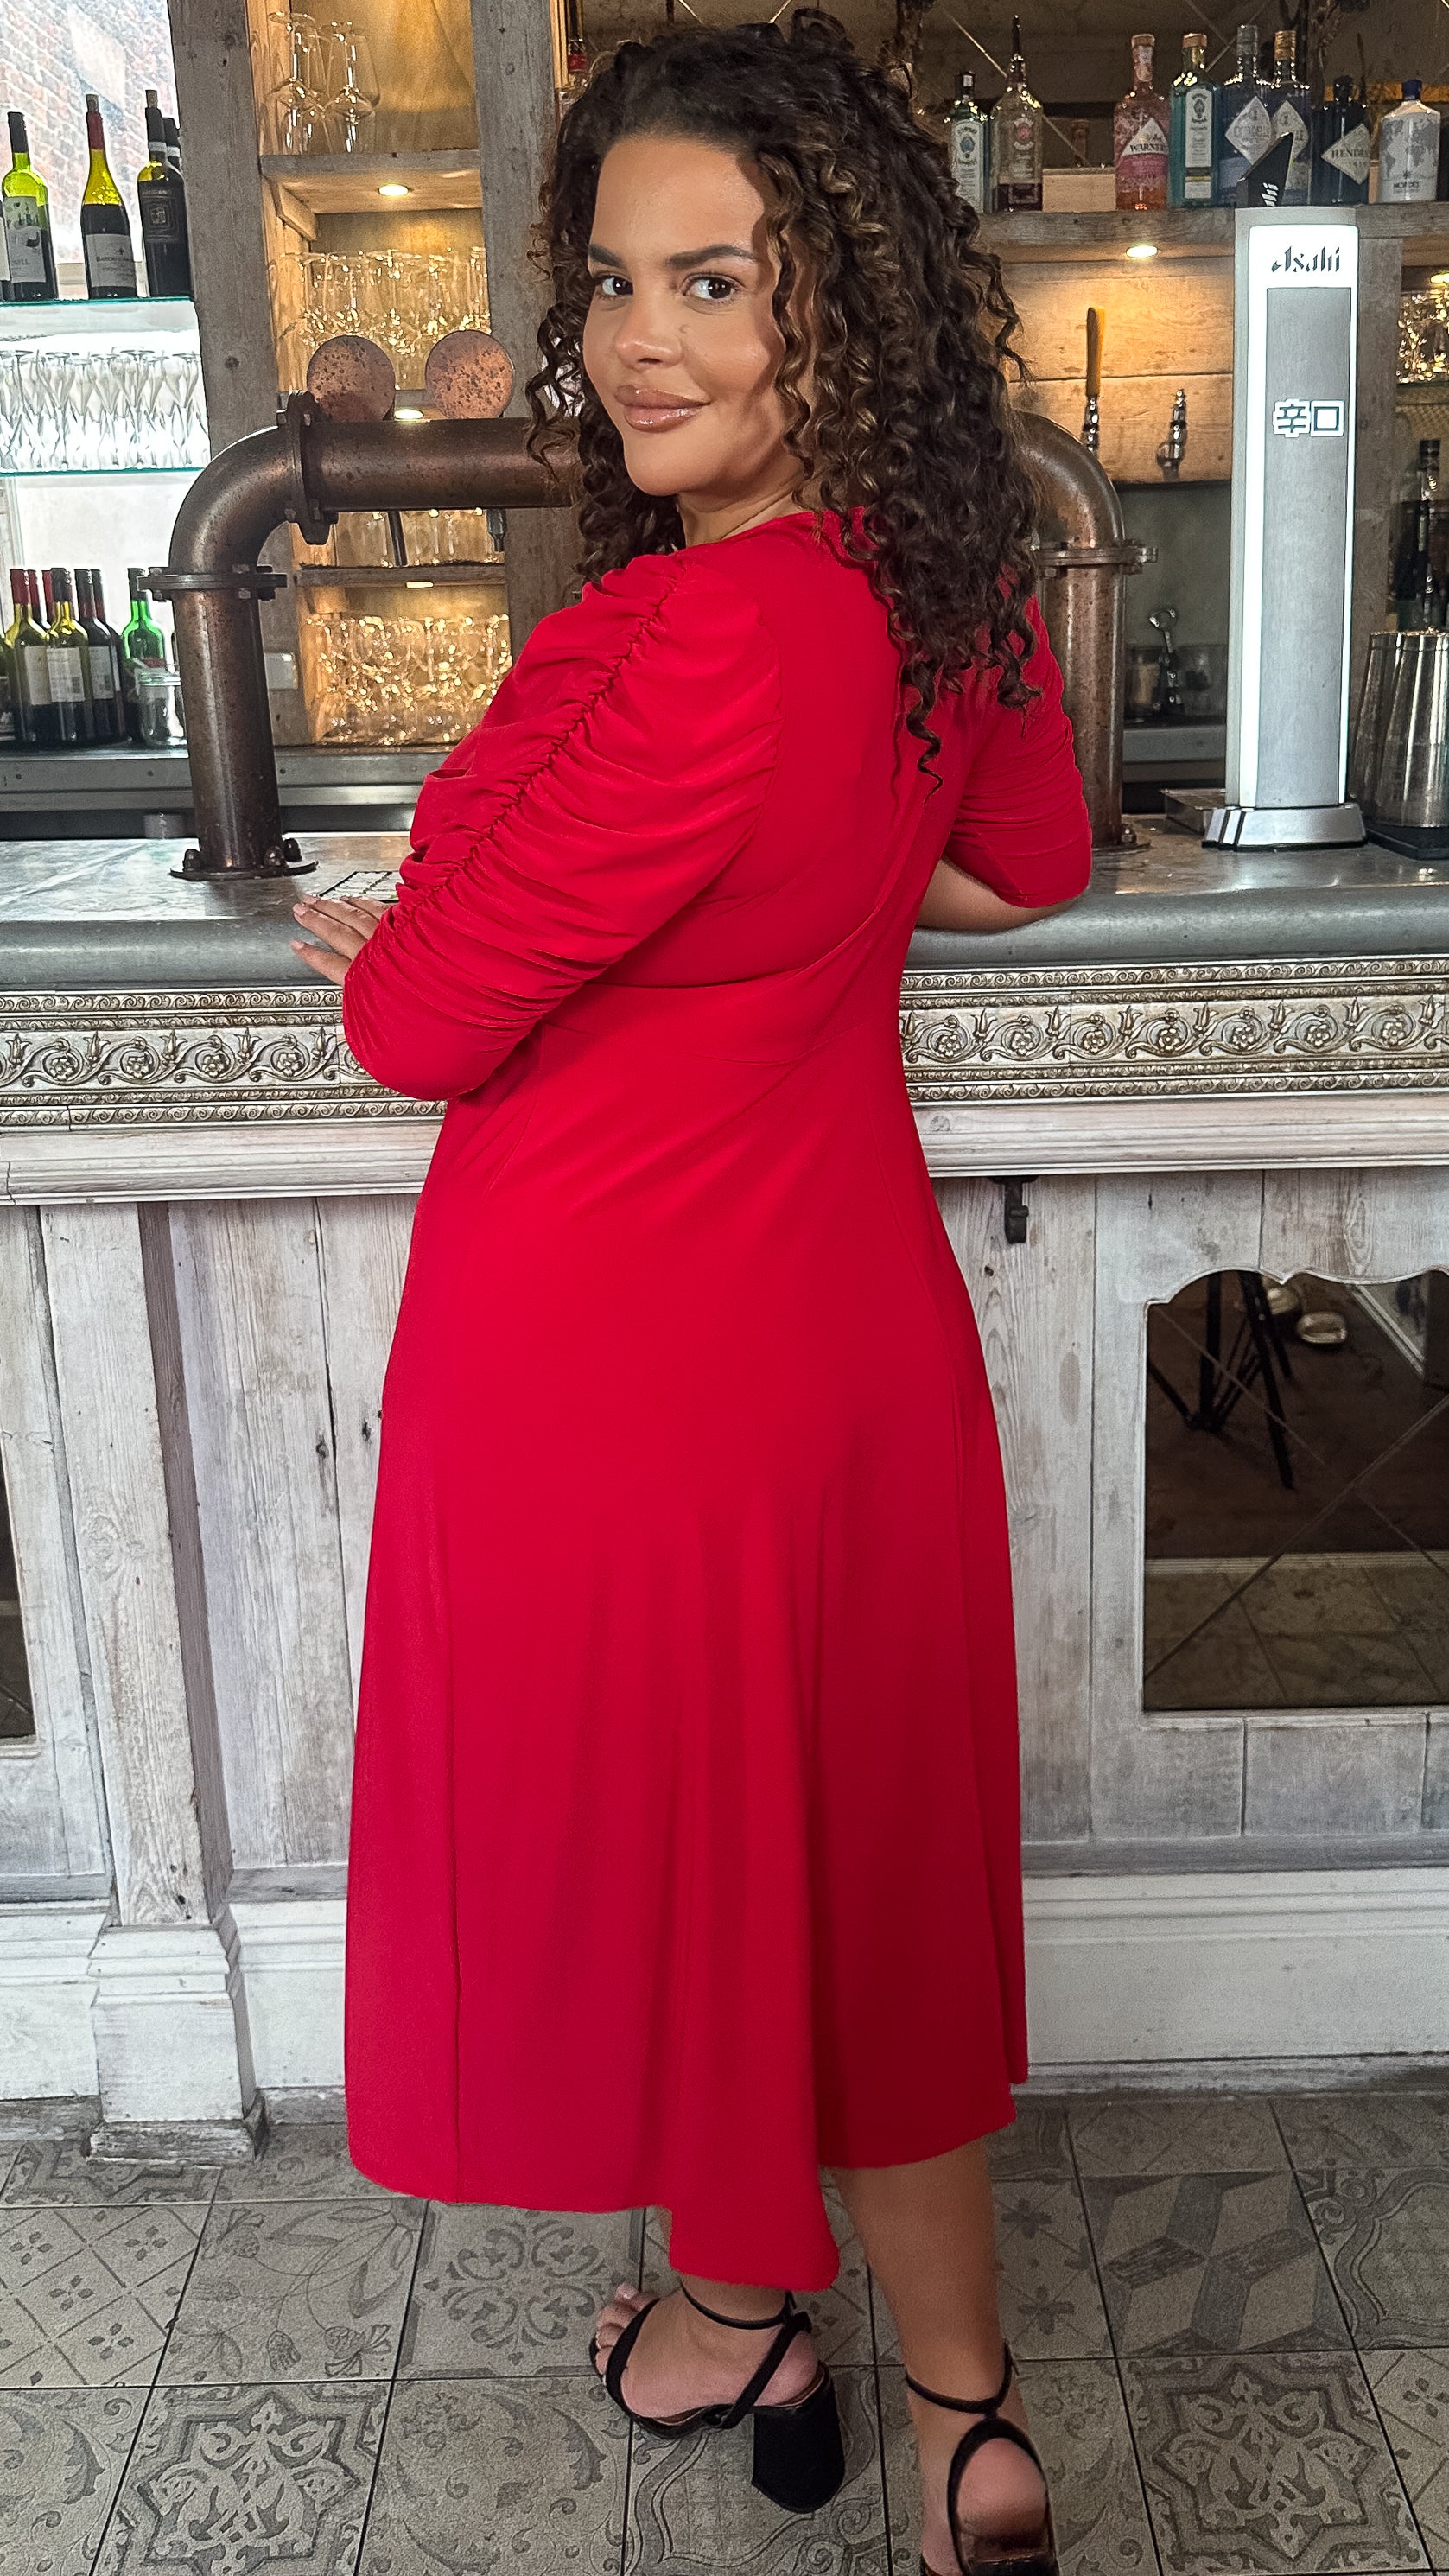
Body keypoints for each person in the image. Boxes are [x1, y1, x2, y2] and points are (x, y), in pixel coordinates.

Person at [290, 16, 1090, 2572]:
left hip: (616, 1357)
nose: (642, 341)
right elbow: (1035, 862)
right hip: (841, 1332)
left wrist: (402, 934)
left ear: (835, 304)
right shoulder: (934, 593)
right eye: (618, 283)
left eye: (715, 282)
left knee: (691, 1856)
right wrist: (812, 871)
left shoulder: (677, 645)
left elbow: (421, 1023)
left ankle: (749, 2314)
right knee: (845, 1863)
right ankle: (953, 2410)